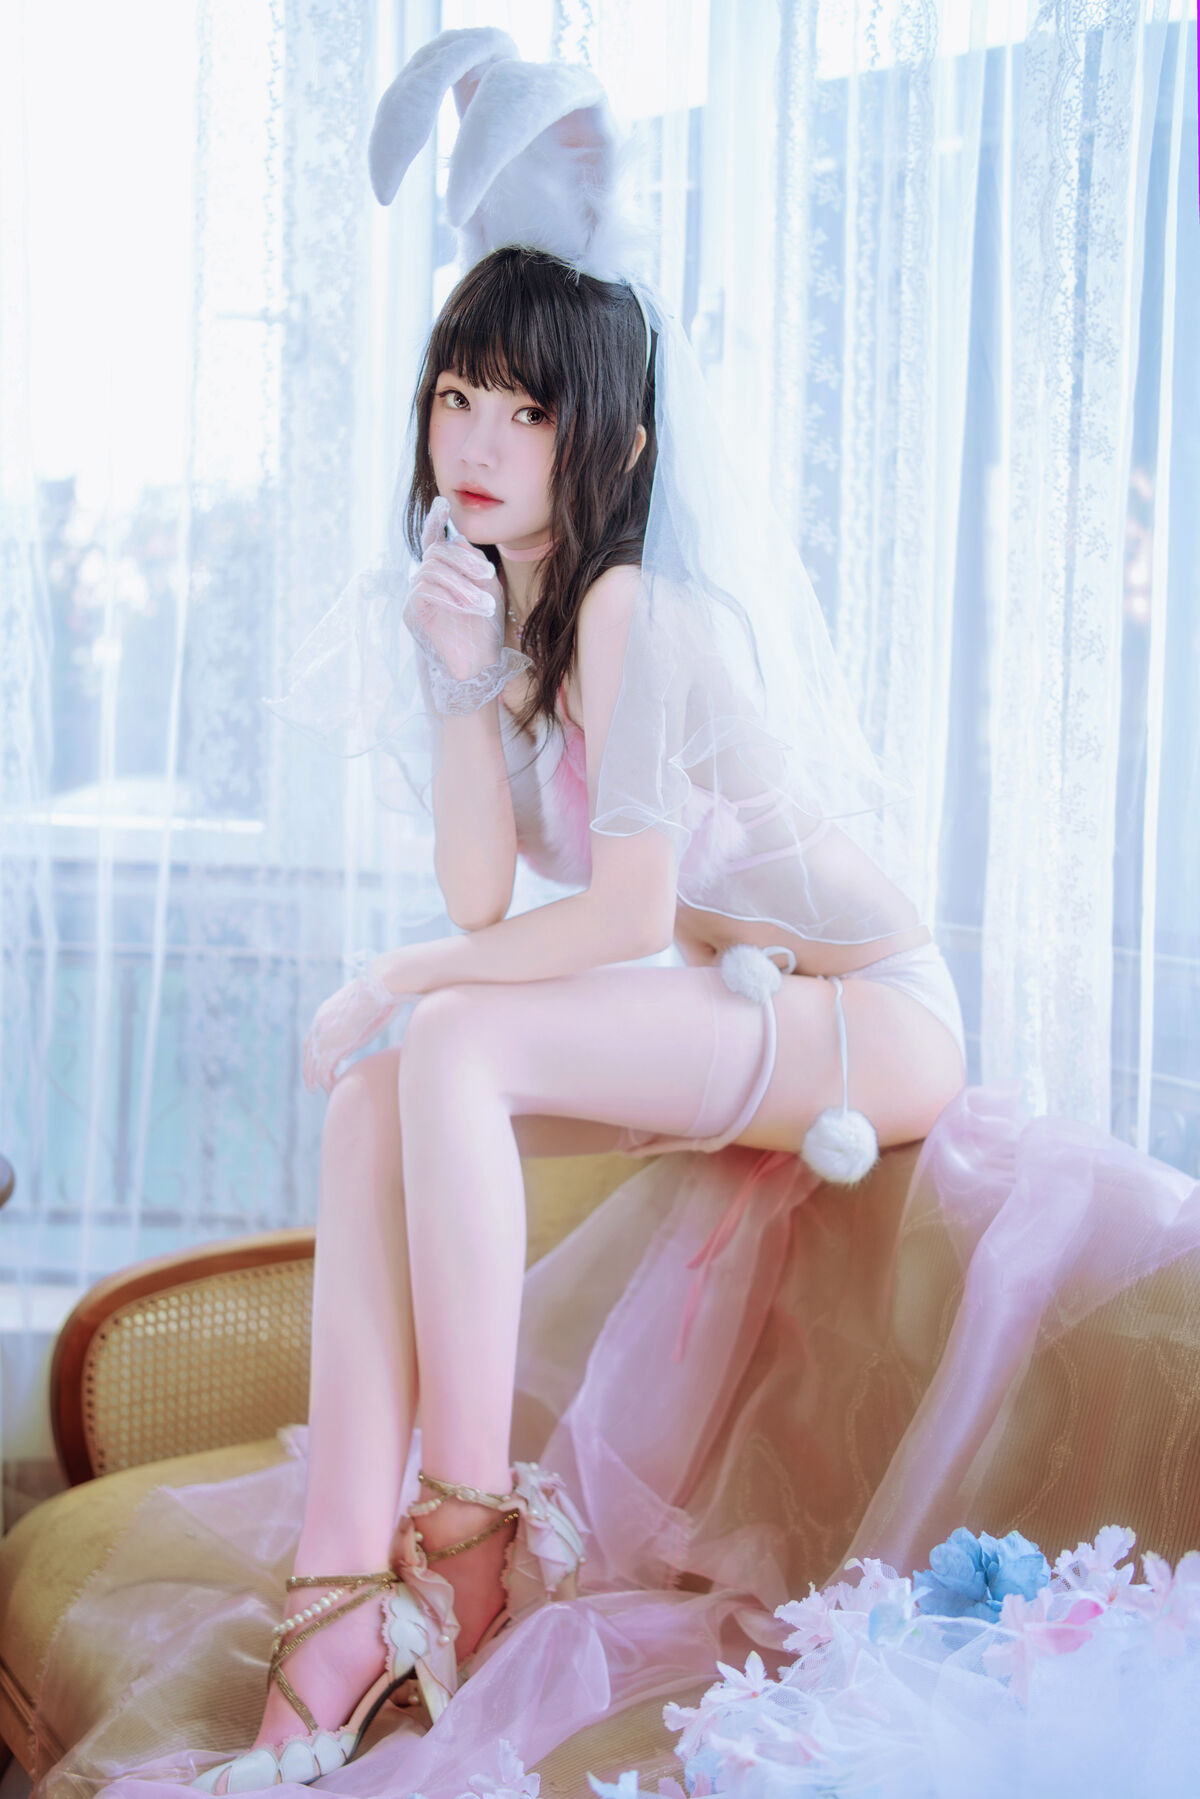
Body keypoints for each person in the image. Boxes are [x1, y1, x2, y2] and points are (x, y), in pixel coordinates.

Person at [32, 30, 1199, 1799]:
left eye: (530, 409)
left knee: (445, 1035)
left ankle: (467, 1533)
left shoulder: (636, 610)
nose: (481, 439)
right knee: (379, 1097)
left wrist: (397, 973)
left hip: (878, 1017)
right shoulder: (528, 625)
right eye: (458, 397)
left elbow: (623, 915)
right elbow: (487, 889)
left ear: (617, 442)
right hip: (761, 1001)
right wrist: (452, 680)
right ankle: (341, 1598)